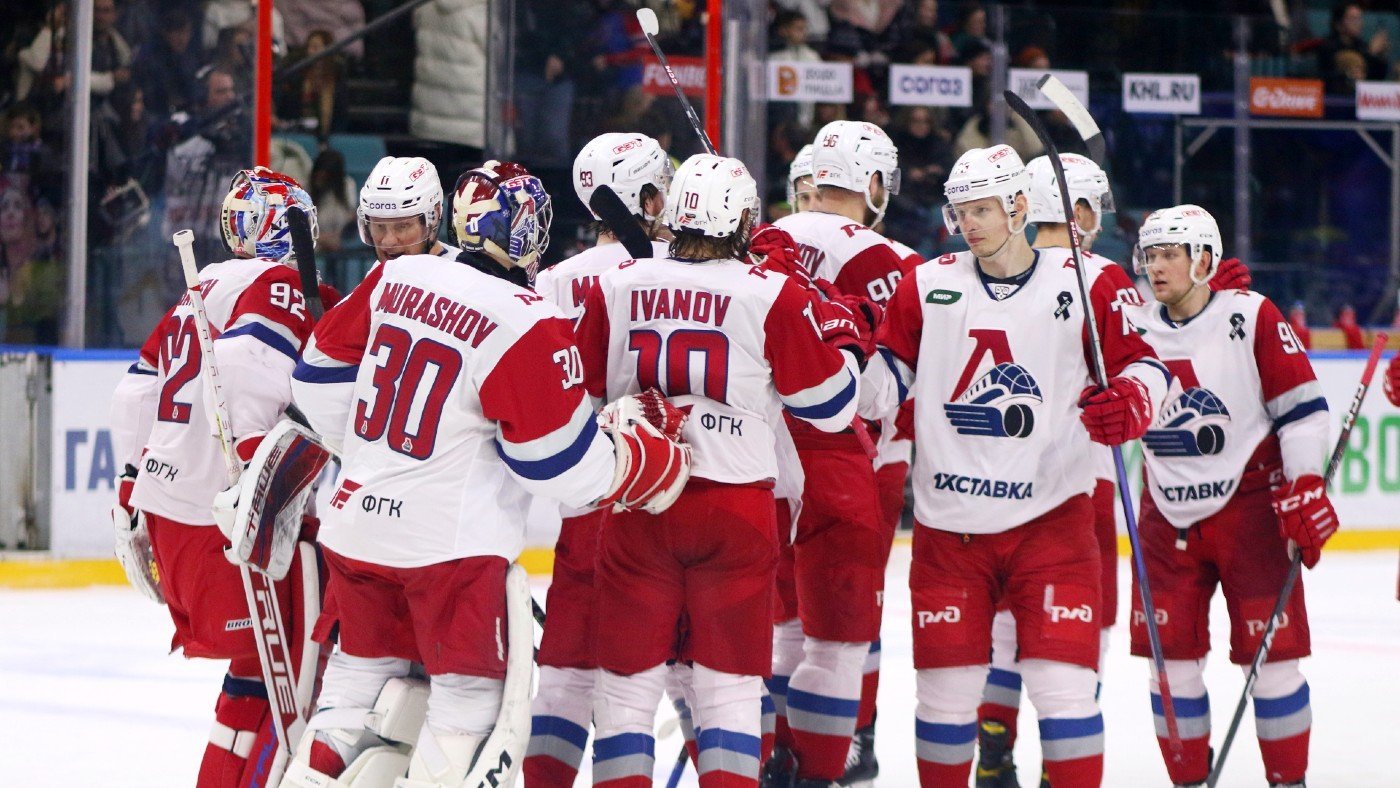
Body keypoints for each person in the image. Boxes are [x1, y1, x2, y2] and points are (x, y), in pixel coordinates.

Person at [283, 159, 690, 787]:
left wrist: (378, 458)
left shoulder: (397, 275)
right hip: (451, 551)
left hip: (356, 531)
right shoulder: (524, 315)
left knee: (352, 688)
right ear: (525, 231)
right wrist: (645, 457)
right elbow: (557, 465)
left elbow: (313, 382)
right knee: (465, 710)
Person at [861, 144, 1172, 787]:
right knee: (943, 701)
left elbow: (1148, 367)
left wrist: (1133, 400)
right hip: (949, 531)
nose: (969, 224)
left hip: (1051, 524)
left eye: (982, 209)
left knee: (1066, 693)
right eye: (960, 211)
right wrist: (840, 363)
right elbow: (882, 383)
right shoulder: (926, 283)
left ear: (1020, 207)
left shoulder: (1090, 282)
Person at [574, 153, 864, 787]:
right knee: (729, 691)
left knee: (625, 691)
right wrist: (838, 333)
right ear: (744, 220)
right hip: (736, 510)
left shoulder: (616, 283)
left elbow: (584, 392)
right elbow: (832, 408)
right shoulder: (773, 292)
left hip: (640, 502)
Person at [107, 168, 330, 787]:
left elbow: (132, 396)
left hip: (170, 517)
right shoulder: (278, 283)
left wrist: (129, 494)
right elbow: (242, 366)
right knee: (301, 684)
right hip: (231, 521)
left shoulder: (200, 287)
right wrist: (261, 477)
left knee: (253, 677)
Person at [1128, 205, 1334, 788]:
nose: (1156, 266)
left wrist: (1305, 481)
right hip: (1164, 514)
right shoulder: (1131, 326)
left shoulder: (1251, 314)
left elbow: (1302, 411)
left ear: (1204, 259)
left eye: (1170, 254)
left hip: (1252, 511)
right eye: (1150, 255)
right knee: (1170, 669)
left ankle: (1288, 782)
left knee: (1273, 665)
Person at [523, 132, 674, 787]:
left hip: (586, 497)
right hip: (674, 491)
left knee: (564, 676)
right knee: (696, 683)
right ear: (651, 196)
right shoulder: (689, 268)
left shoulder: (552, 281)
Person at [762, 119, 908, 788]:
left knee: (785, 621)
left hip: (761, 455)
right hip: (844, 460)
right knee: (841, 632)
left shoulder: (762, 239)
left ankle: (775, 760)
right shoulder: (886, 258)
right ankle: (832, 760)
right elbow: (878, 393)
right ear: (873, 182)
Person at [356, 156, 459, 262]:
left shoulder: (461, 270)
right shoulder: (380, 268)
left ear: (434, 217)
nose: (388, 241)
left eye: (402, 226)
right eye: (379, 226)